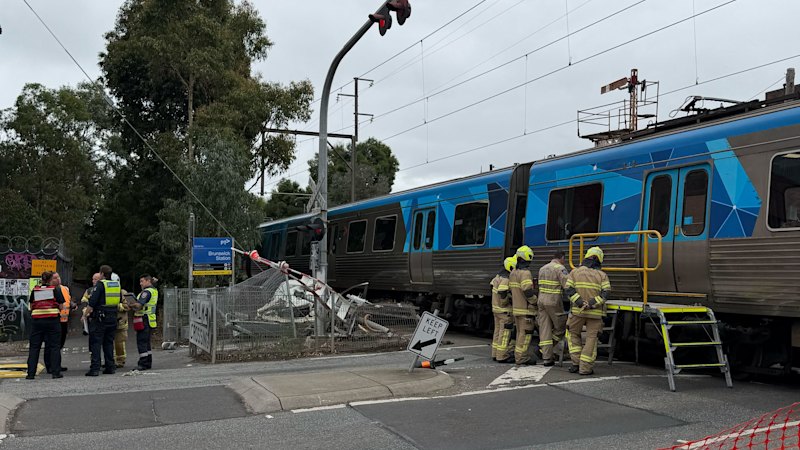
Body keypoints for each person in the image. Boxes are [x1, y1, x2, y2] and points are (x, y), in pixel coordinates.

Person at [564, 246, 611, 375]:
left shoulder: (574, 272)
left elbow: (568, 289)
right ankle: (585, 368)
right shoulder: (602, 275)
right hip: (595, 313)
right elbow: (606, 293)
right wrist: (591, 303)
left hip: (577, 312)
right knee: (591, 339)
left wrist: (579, 302)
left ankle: (575, 363)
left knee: (573, 334)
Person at [27, 271, 66, 379]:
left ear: (42, 279)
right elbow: (61, 306)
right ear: (50, 280)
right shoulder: (55, 290)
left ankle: (30, 373)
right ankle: (55, 372)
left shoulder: (35, 290)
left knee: (34, 347)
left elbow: (31, 305)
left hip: (37, 321)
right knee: (54, 346)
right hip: (52, 320)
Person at [85, 265, 120, 376]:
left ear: (102, 274)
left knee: (96, 343)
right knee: (108, 343)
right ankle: (110, 366)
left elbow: (92, 302)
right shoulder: (116, 285)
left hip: (100, 318)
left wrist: (85, 315)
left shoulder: (100, 285)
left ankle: (95, 368)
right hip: (113, 317)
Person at [536, 250, 570, 367]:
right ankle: (545, 348)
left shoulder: (542, 268)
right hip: (553, 301)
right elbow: (567, 285)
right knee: (561, 326)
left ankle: (546, 358)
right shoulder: (560, 268)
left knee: (545, 329)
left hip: (541, 300)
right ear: (562, 258)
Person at [509, 245, 537, 366]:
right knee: (525, 335)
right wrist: (534, 301)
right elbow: (527, 290)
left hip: (516, 309)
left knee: (519, 333)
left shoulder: (513, 273)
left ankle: (517, 355)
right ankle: (521, 358)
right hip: (526, 310)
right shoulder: (525, 273)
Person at [491, 256, 517, 364]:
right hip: (504, 311)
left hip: (496, 310)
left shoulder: (497, 277)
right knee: (504, 334)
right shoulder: (506, 279)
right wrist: (505, 301)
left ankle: (495, 353)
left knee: (497, 332)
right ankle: (502, 356)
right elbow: (502, 291)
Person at [130, 274, 158, 371]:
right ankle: (148, 362)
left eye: (142, 281)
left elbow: (139, 305)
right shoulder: (154, 290)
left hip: (144, 319)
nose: (140, 283)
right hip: (150, 319)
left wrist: (131, 304)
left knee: (141, 342)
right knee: (146, 343)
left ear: (148, 281)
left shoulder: (146, 292)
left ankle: (143, 363)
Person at [51, 272, 71, 373]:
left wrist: (72, 305)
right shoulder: (51, 290)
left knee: (60, 344)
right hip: (55, 320)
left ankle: (56, 364)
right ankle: (54, 365)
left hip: (64, 320)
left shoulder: (65, 289)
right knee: (55, 344)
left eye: (58, 277)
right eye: (55, 278)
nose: (58, 279)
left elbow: (68, 301)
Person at [114, 291, 133, 368]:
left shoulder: (122, 293)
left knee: (119, 342)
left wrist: (116, 306)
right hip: (108, 321)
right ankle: (110, 361)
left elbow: (128, 306)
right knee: (108, 343)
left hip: (120, 322)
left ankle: (120, 361)